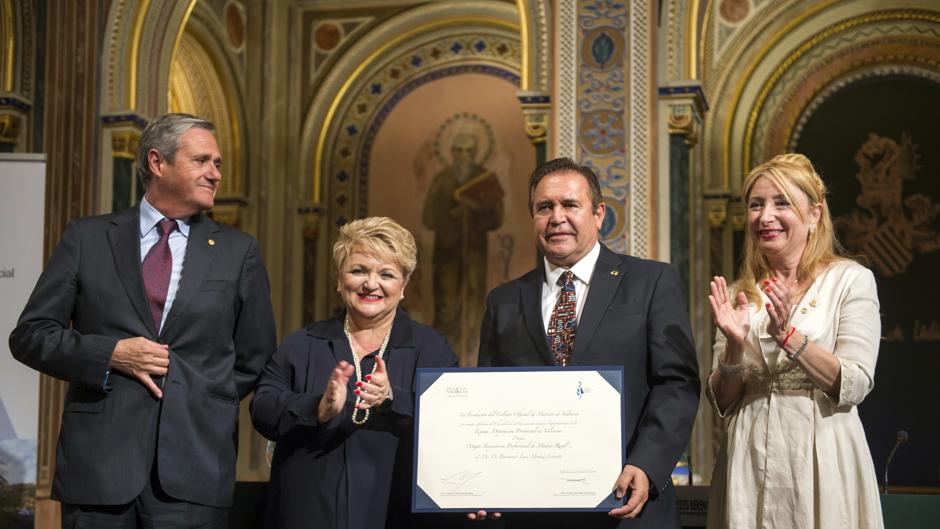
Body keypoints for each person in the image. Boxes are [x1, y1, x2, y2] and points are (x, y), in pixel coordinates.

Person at [8, 113, 277, 528]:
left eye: (218, 164)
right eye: (202, 161)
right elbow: (30, 335)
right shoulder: (88, 238)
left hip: (195, 471)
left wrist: (196, 398)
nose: (215, 174)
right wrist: (111, 354)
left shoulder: (238, 252)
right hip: (98, 470)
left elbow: (254, 359)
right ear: (157, 162)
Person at [475, 157, 701, 528]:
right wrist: (484, 479)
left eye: (570, 205)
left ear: (598, 214)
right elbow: (490, 399)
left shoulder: (650, 282)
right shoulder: (504, 301)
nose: (556, 217)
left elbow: (677, 384)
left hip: (627, 504)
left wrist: (646, 463)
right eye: (544, 207)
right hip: (533, 511)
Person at [706, 153, 883, 529]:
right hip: (747, 460)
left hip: (823, 457)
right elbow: (722, 401)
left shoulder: (850, 281)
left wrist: (790, 337)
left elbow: (854, 384)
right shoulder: (741, 292)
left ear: (815, 214)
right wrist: (735, 346)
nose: (765, 216)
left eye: (781, 202)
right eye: (756, 205)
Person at [250, 217, 458, 529]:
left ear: (403, 286)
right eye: (358, 270)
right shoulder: (302, 344)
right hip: (307, 512)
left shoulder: (430, 347)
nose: (370, 284)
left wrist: (392, 398)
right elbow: (262, 408)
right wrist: (317, 408)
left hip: (397, 511)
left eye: (386, 274)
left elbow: (453, 421)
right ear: (339, 279)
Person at [422, 133, 503, 365]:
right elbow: (428, 218)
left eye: (468, 151)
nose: (463, 156)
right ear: (451, 153)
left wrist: (476, 211)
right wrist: (452, 213)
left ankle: (473, 358)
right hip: (446, 255)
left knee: (475, 303)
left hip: (475, 255)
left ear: (475, 152)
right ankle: (446, 359)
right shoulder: (442, 179)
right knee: (447, 306)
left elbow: (496, 218)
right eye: (458, 151)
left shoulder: (485, 179)